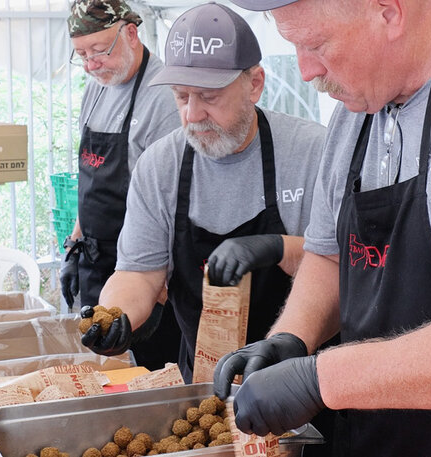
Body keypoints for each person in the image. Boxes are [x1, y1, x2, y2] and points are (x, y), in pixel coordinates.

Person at [214, 0, 431, 455]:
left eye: (316, 44)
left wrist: (319, 379)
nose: (305, 71)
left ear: (389, 11)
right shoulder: (357, 108)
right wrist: (292, 336)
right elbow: (329, 254)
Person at [79, 2, 326, 386]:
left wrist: (278, 248)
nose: (192, 114)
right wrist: (117, 317)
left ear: (255, 84)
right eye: (181, 97)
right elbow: (140, 274)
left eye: (208, 97)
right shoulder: (160, 166)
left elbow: (342, 268)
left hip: (305, 381)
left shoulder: (313, 152)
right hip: (206, 384)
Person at [63, 0, 183, 370]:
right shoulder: (98, 87)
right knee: (106, 373)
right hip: (97, 258)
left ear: (131, 33)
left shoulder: (162, 95)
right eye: (81, 54)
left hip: (145, 268)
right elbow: (88, 177)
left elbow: (172, 199)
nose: (91, 64)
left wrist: (158, 291)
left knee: (150, 375)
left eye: (99, 50)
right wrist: (74, 243)